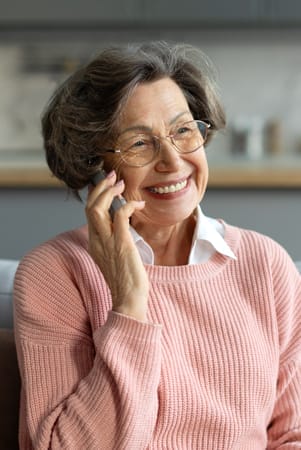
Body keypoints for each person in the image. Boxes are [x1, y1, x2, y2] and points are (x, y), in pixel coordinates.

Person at [14, 41, 301, 449]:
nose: (172, 160)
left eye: (183, 131)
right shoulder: (54, 275)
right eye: (139, 143)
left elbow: (292, 435)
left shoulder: (266, 264)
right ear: (95, 166)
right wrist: (129, 304)